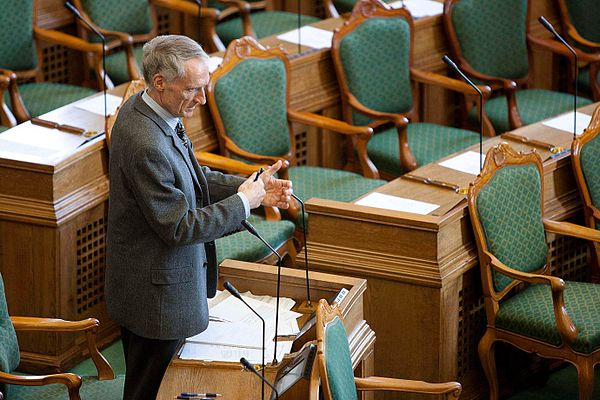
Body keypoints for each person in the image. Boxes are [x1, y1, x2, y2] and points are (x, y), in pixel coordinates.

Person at [105, 35, 292, 400]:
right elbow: (179, 226)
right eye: (193, 89)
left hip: (157, 284)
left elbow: (192, 177)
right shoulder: (146, 142)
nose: (203, 100)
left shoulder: (151, 108)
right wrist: (243, 202)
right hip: (155, 297)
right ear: (160, 82)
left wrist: (251, 186)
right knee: (149, 391)